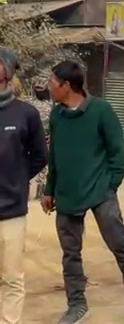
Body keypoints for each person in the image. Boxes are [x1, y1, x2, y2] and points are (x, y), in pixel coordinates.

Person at [42, 61, 124, 323]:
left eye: (52, 82)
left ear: (67, 86)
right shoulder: (57, 115)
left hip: (101, 193)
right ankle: (77, 304)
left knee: (119, 245)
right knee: (70, 254)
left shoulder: (102, 111)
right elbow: (54, 155)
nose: (49, 87)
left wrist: (109, 186)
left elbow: (118, 154)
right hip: (67, 194)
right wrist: (49, 189)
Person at [0, 49, 47, 324]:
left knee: (12, 278)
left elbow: (40, 156)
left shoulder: (25, 114)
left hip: (11, 211)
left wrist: (18, 180)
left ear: (8, 71)